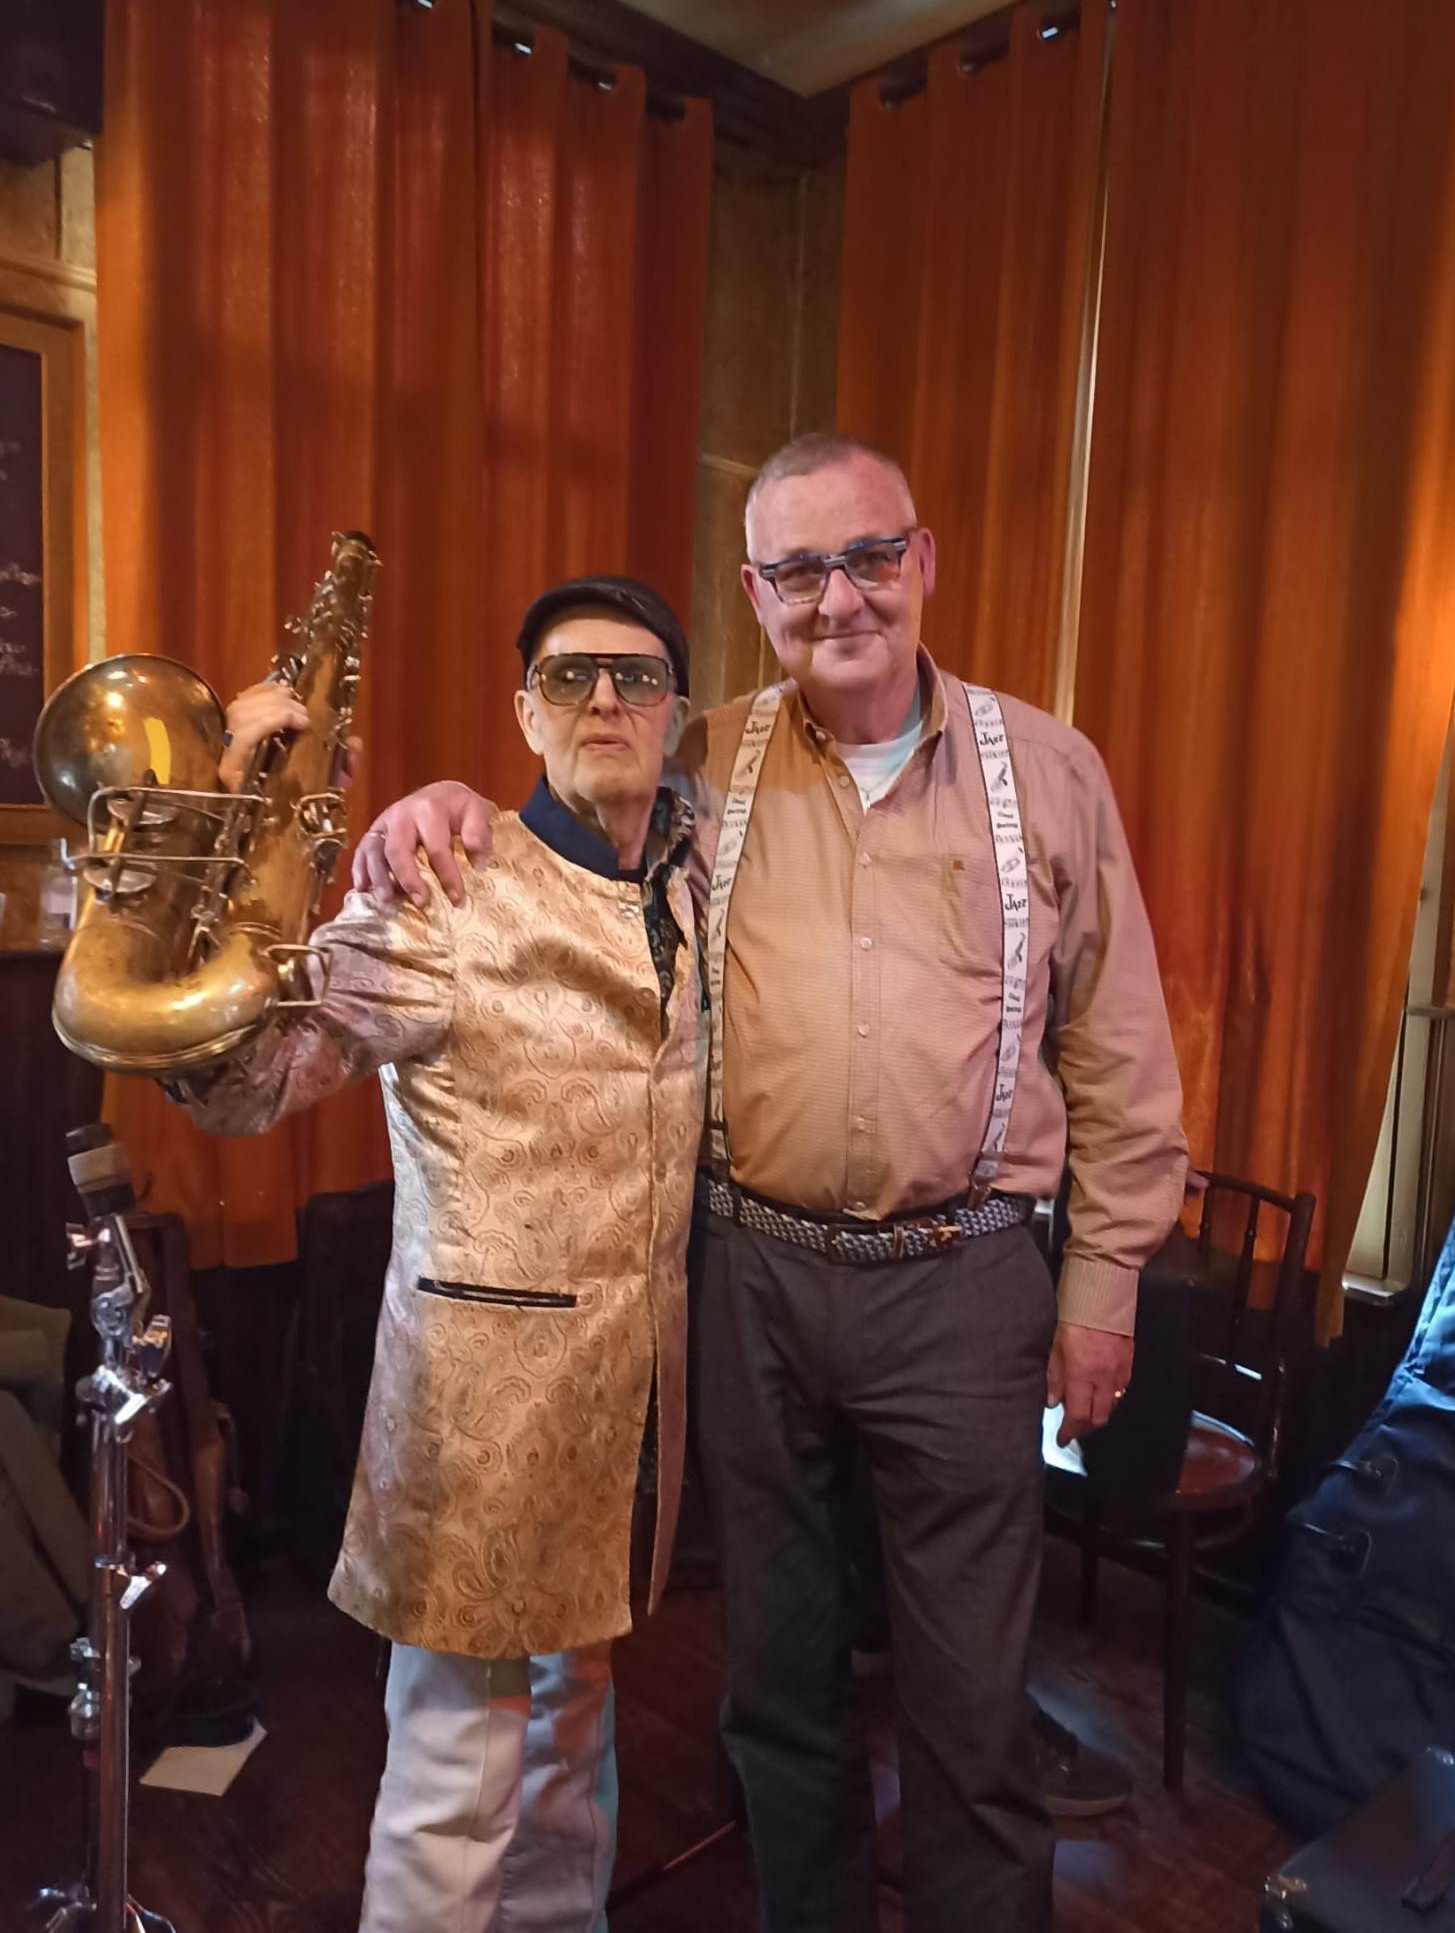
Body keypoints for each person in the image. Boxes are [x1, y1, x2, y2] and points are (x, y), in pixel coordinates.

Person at [354, 434, 1189, 1932]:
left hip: (966, 1280)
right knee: (778, 1685)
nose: (840, 599)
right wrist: (440, 804)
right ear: (756, 596)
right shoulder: (705, 757)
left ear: (923, 561)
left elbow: (1119, 1049)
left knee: (971, 1705)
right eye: (800, 571)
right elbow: (567, 800)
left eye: (869, 557)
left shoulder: (1048, 773)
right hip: (748, 1280)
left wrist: (1103, 1286)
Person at [173, 576, 706, 1933]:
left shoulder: (695, 887)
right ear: (525, 711)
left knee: (575, 1740)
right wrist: (231, 822)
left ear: (676, 714)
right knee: (454, 1777)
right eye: (571, 676)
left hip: (628, 1411)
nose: (605, 699)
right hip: (478, 1419)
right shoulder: (444, 889)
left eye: (638, 677)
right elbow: (245, 1081)